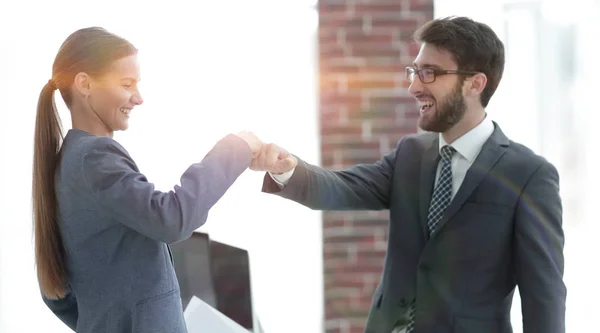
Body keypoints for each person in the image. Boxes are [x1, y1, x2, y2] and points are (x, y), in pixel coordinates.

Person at [253, 16, 566, 333]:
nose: (414, 86)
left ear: (475, 83)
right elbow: (344, 188)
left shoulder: (529, 175)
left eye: (429, 73)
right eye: (415, 72)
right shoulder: (410, 155)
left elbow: (545, 299)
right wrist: (287, 169)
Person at [32, 27, 262, 333]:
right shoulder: (96, 158)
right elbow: (171, 218)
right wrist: (236, 148)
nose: (138, 98)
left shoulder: (67, 164)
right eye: (127, 84)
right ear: (85, 84)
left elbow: (56, 294)